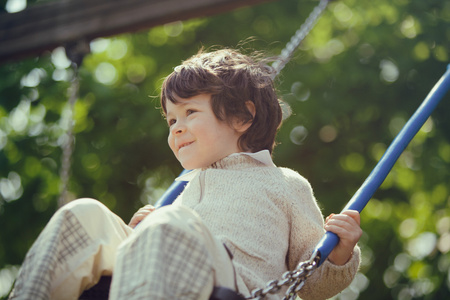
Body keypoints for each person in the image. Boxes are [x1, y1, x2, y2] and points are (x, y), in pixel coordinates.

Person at [9, 48, 362, 300]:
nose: (176, 128)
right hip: (164, 279)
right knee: (83, 215)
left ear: (243, 116)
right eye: (171, 120)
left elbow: (314, 284)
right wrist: (137, 240)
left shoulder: (283, 184)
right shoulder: (182, 191)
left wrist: (340, 253)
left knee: (170, 223)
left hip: (235, 289)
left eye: (190, 112)